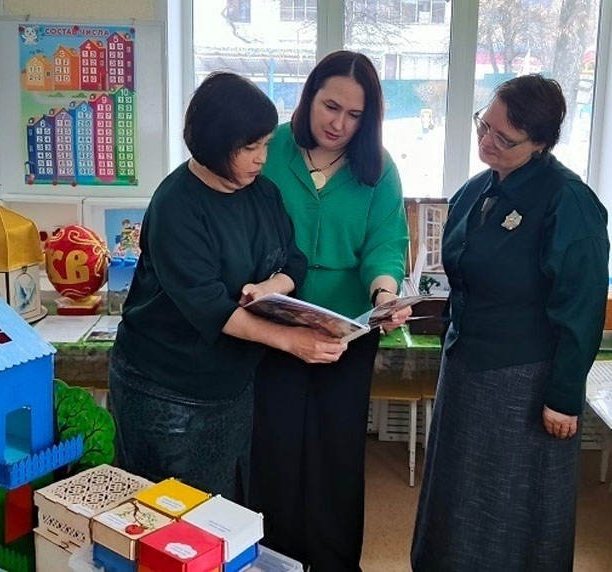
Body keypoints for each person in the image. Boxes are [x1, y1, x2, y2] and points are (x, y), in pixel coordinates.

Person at [108, 72, 345, 503]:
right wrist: (293, 341)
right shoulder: (177, 206)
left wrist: (271, 286)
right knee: (167, 511)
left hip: (231, 383)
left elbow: (293, 260)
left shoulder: (261, 193)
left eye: (265, 145)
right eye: (250, 148)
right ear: (216, 143)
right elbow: (213, 308)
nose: (261, 158)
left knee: (225, 504)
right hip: (166, 387)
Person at [411, 74, 609, 572]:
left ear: (540, 143)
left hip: (524, 377)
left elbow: (582, 307)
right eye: (485, 125)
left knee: (510, 505)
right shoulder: (478, 188)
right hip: (465, 366)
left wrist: (564, 396)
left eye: (504, 138)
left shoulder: (568, 200)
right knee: (458, 495)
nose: (487, 141)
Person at [252, 51, 410, 571]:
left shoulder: (378, 168)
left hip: (346, 335)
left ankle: (333, 562)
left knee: (335, 455)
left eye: (354, 115)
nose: (339, 124)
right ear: (309, 96)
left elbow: (387, 243)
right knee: (272, 449)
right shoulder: (271, 148)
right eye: (330, 106)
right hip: (272, 325)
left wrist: (384, 295)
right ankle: (272, 560)